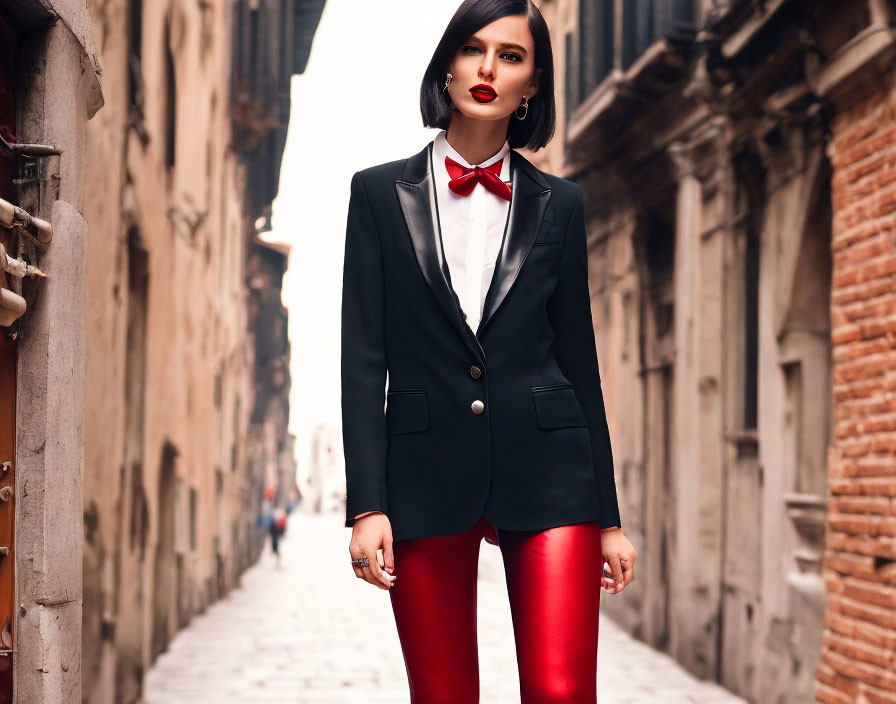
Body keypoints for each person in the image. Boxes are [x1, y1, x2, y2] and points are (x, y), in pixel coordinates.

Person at [342, 1, 637, 701]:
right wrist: (366, 505)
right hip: (423, 469)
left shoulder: (561, 204)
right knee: (443, 694)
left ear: (532, 84)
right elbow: (361, 357)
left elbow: (579, 360)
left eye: (511, 56)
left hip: (551, 467)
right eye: (473, 49)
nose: (487, 68)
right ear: (447, 64)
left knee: (562, 691)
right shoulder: (378, 194)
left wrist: (611, 518)